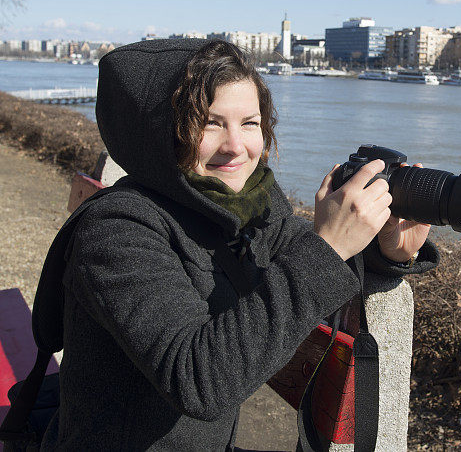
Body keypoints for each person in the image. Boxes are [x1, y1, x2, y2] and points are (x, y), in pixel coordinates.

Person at [40, 38, 438, 450]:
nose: (237, 146)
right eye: (211, 123)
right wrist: (330, 245)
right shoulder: (118, 228)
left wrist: (387, 249)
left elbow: (308, 258)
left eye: (250, 123)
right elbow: (199, 380)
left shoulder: (247, 200)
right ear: (161, 132)